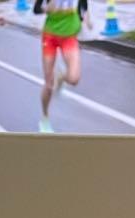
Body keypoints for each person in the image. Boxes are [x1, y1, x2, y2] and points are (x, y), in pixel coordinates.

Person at [34, 0, 91, 134]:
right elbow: (36, 9)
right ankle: (45, 119)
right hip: (50, 36)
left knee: (74, 78)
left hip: (69, 36)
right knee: (49, 84)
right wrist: (46, 9)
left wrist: (86, 19)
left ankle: (61, 78)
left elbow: (84, 5)